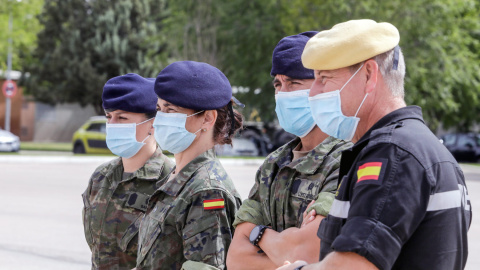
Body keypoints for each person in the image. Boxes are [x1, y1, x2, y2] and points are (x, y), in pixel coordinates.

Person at [279, 19, 472, 270]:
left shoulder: (392, 154)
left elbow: (355, 265)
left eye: (324, 79)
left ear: (369, 75)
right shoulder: (426, 149)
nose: (313, 93)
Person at [226, 32, 352, 269]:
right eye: (278, 84)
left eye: (293, 82)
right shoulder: (273, 163)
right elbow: (236, 259)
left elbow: (309, 250)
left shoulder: (346, 160)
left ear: (321, 86)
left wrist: (258, 235)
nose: (283, 93)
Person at [135, 61, 243, 270]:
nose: (160, 119)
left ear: (207, 119)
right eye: (159, 109)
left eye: (171, 110)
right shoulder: (178, 176)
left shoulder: (207, 190)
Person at [82, 73, 175, 270]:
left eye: (122, 118)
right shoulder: (101, 178)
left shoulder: (171, 180)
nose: (112, 125)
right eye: (109, 117)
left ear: (152, 124)